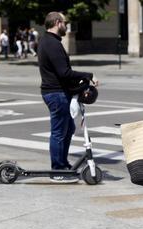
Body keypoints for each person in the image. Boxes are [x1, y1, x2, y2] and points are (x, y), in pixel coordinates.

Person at [38, 12, 98, 183]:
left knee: (68, 129)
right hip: (56, 93)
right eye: (65, 22)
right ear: (58, 23)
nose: (67, 25)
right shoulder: (52, 44)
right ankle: (57, 170)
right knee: (59, 132)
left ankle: (62, 164)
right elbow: (64, 73)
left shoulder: (48, 41)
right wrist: (88, 75)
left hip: (57, 92)